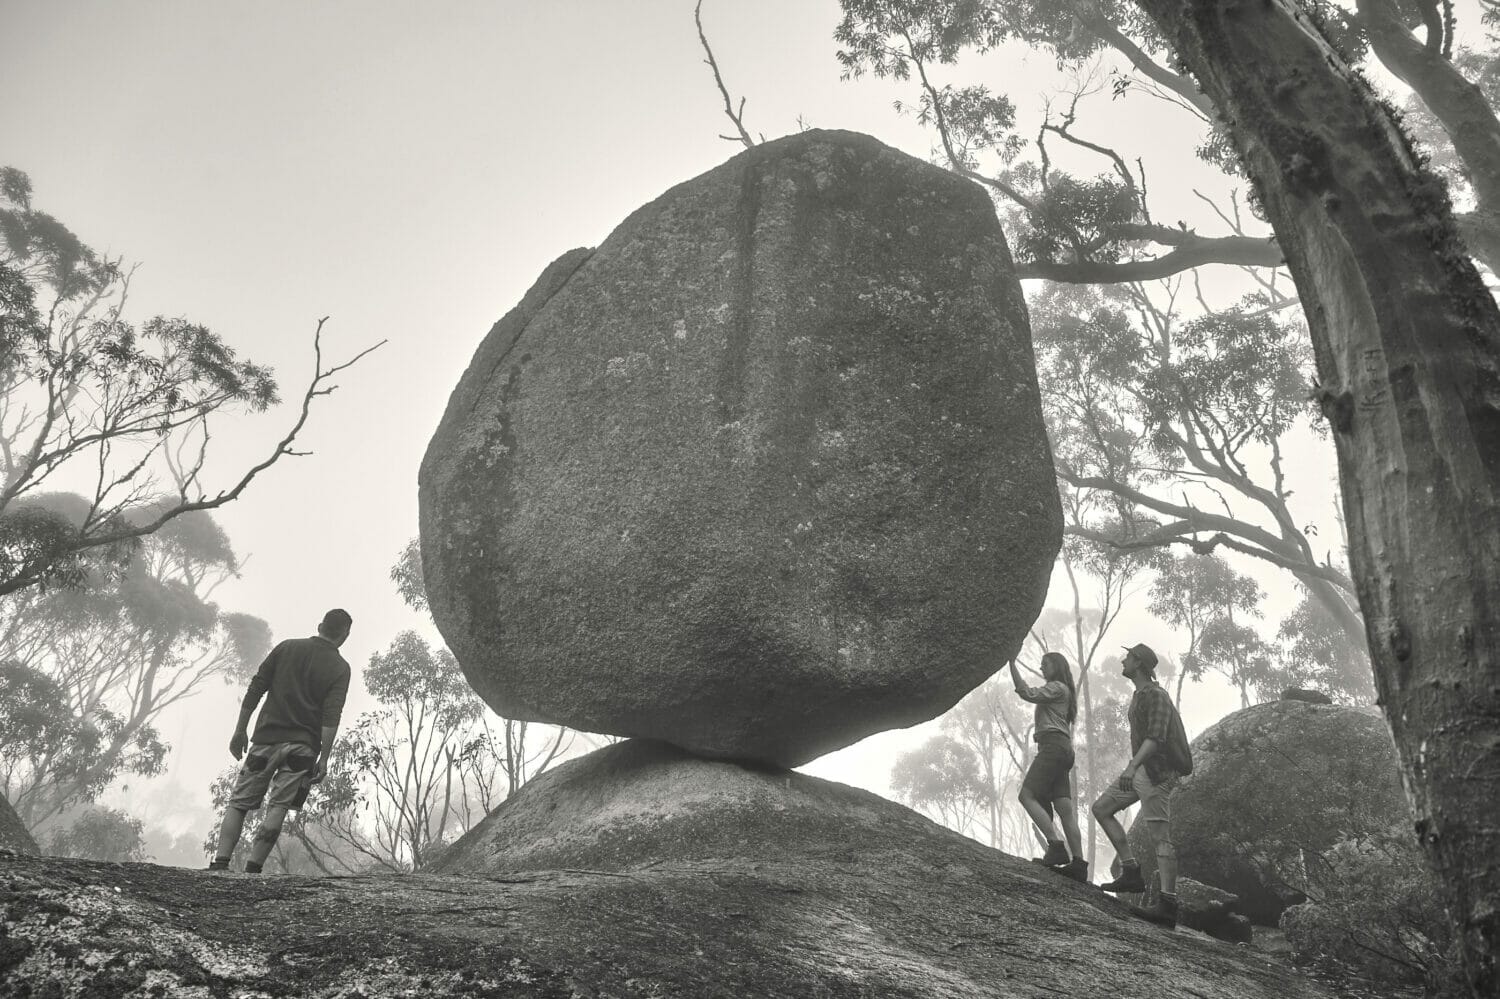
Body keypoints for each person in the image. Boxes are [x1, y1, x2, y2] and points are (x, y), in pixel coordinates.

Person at [209, 608, 353, 873]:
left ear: (320, 625)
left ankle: (220, 863)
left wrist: (240, 730)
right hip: (303, 748)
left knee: (239, 803)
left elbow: (256, 688)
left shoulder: (286, 648)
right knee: (278, 806)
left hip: (266, 739)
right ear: (344, 636)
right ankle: (253, 870)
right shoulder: (340, 668)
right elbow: (332, 716)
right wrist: (324, 758)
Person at [1092, 642, 1192, 928]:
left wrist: (1132, 765)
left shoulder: (1156, 695)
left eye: (1128, 658)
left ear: (1139, 663)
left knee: (1161, 837)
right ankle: (1131, 871)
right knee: (1101, 809)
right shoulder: (1139, 696)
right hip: (1140, 773)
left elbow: (1156, 737)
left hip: (1156, 774)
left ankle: (1167, 905)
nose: (1123, 661)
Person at [1009, 653, 1087, 883]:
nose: (1042, 667)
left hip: (1053, 747)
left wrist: (1011, 664)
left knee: (1026, 795)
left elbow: (1027, 693)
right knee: (1065, 808)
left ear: (1057, 666)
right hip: (1063, 750)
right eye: (1041, 664)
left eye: (1046, 663)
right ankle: (1079, 865)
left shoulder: (1057, 687)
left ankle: (1056, 845)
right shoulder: (1065, 691)